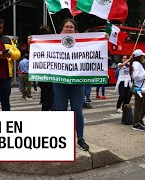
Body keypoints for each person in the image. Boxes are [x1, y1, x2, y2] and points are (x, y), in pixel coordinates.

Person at [52, 19, 92, 151]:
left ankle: (80, 138)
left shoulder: (82, 44)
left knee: (77, 111)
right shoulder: (54, 42)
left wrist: (103, 39)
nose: (69, 29)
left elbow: (96, 49)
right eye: (66, 27)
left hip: (77, 83)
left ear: (75, 30)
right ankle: (62, 138)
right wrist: (32, 42)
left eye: (71, 27)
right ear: (62, 29)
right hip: (60, 83)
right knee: (60, 111)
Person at [130, 49, 145, 131]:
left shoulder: (138, 64)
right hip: (138, 88)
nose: (143, 58)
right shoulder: (136, 64)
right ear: (139, 57)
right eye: (142, 56)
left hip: (141, 88)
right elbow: (136, 77)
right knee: (139, 105)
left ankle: (139, 119)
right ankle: (136, 123)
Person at [36, 25, 54, 111]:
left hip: (48, 76)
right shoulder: (37, 44)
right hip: (45, 76)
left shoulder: (53, 43)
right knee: (48, 99)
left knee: (47, 99)